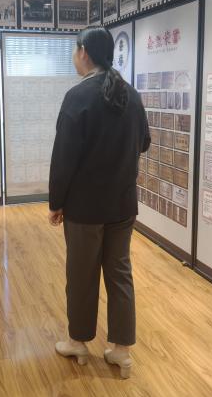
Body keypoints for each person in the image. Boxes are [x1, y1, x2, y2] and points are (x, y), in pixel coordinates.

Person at [48, 27, 151, 379]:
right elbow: (145, 142)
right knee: (120, 274)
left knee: (81, 274)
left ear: (84, 53)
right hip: (123, 204)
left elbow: (64, 157)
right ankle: (121, 351)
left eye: (75, 51)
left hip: (85, 208)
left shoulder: (77, 96)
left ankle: (78, 342)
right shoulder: (131, 94)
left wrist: (56, 202)